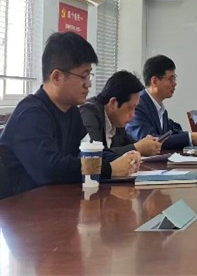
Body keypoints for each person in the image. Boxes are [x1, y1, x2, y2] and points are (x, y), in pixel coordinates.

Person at [0, 32, 139, 196]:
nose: (88, 84)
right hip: (17, 207)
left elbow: (90, 151)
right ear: (56, 77)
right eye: (84, 76)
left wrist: (124, 159)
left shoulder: (71, 111)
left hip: (52, 201)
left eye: (90, 75)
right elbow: (49, 169)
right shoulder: (31, 114)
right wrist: (109, 168)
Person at [126, 55, 197, 149]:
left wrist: (196, 136)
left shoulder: (160, 109)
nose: (174, 83)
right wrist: (190, 138)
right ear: (155, 81)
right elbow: (150, 141)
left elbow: (171, 133)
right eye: (171, 79)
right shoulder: (138, 105)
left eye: (175, 78)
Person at [80, 70, 161, 156]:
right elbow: (93, 155)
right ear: (113, 103)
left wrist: (147, 145)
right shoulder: (89, 112)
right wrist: (137, 148)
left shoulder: (117, 122)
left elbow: (131, 144)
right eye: (130, 108)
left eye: (135, 108)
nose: (133, 115)